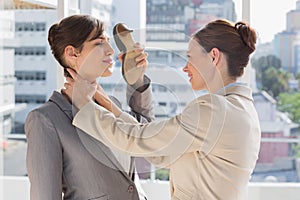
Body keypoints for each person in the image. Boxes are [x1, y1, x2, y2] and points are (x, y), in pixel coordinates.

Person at [64, 19, 261, 199]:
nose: (185, 68)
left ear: (214, 56)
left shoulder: (214, 111)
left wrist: (84, 105)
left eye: (190, 58)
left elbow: (138, 139)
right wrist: (107, 104)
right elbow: (158, 150)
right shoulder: (243, 109)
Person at [25, 14, 154, 200]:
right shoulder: (46, 119)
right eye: (100, 43)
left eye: (109, 41)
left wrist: (138, 80)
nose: (111, 50)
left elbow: (146, 135)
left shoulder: (108, 105)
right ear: (72, 53)